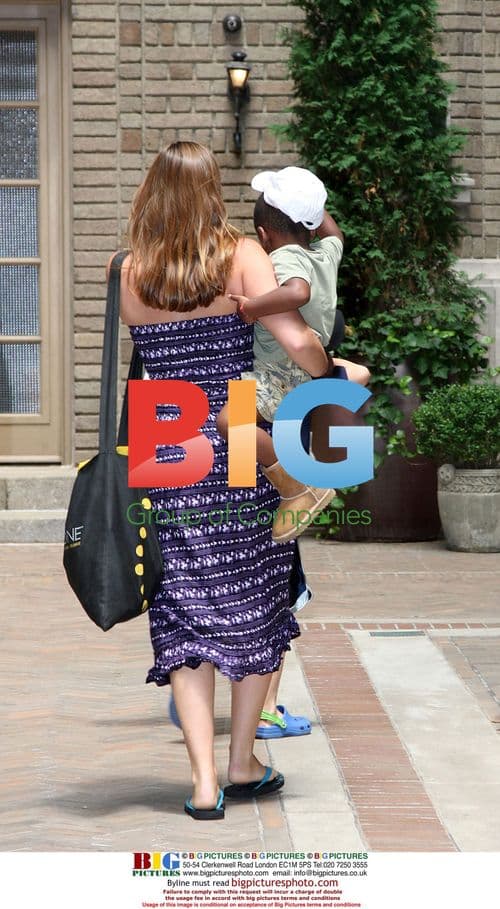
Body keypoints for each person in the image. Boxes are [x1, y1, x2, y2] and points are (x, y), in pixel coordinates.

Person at [112, 141, 333, 821]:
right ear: (212, 191)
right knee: (257, 595)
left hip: (162, 431)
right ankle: (243, 761)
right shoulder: (238, 254)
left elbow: (145, 352)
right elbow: (295, 339)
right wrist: (329, 373)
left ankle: (205, 779)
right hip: (234, 427)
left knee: (181, 606)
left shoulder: (130, 269)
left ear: (152, 190)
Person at [216, 167, 370, 544]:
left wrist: (253, 306)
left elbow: (297, 293)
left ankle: (297, 485)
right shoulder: (326, 252)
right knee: (348, 373)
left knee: (228, 421)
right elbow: (335, 233)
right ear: (314, 224)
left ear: (264, 236)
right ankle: (344, 377)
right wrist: (314, 205)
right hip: (308, 369)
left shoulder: (284, 258)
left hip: (278, 373)